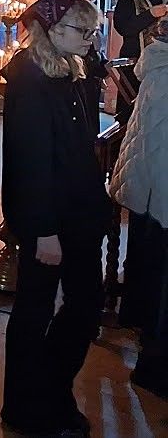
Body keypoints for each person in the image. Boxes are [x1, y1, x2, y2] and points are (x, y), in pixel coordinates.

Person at [0, 0, 109, 437]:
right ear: (52, 31)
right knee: (35, 310)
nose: (90, 40)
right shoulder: (31, 80)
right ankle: (26, 408)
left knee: (85, 306)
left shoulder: (67, 70)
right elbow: (31, 161)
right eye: (83, 31)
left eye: (93, 31)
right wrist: (44, 230)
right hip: (50, 220)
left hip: (78, 213)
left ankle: (51, 391)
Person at [109, 21, 168, 400]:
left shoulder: (158, 61)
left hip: (152, 181)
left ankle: (144, 326)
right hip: (159, 182)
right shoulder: (163, 71)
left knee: (151, 263)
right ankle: (155, 363)